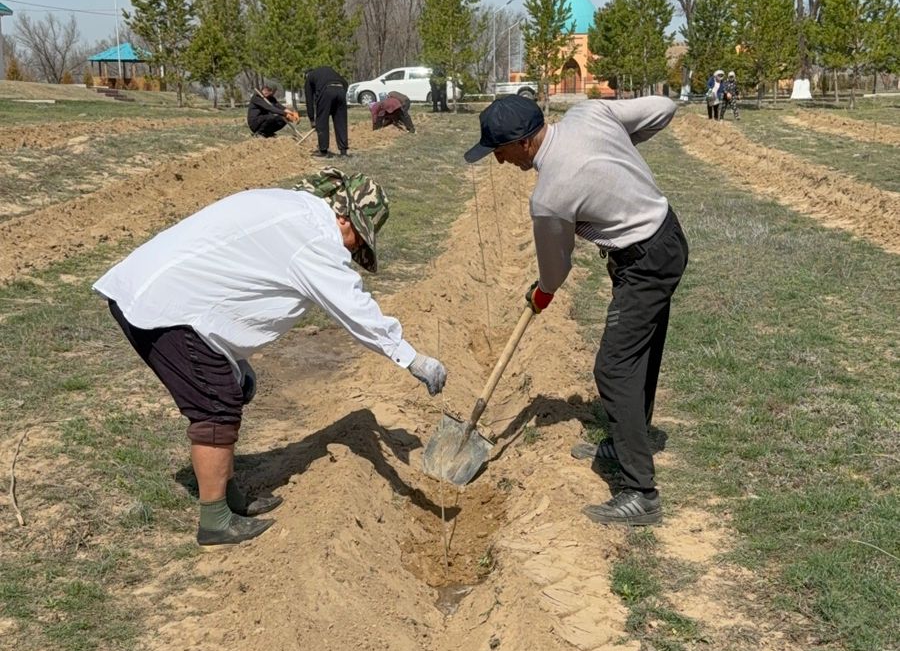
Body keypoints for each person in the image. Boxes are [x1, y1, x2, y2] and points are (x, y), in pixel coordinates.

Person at [94, 169, 448, 547]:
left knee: (225, 387)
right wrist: (413, 359)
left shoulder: (295, 212)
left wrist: (235, 360)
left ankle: (230, 501)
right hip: (163, 305)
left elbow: (234, 283)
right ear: (344, 217)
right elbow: (354, 308)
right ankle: (215, 521)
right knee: (216, 404)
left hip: (161, 294)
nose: (349, 250)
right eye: (355, 239)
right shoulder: (313, 237)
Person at [464, 95, 687, 526]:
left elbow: (556, 267)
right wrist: (618, 146)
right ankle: (627, 442)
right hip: (666, 237)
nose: (498, 161)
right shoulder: (589, 113)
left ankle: (641, 493)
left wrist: (543, 292)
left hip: (644, 262)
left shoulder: (551, 192)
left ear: (525, 144)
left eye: (499, 150)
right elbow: (664, 106)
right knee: (637, 353)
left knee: (615, 367)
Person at [304, 65, 349, 157]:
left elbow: (309, 100)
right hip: (341, 90)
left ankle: (323, 151)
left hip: (326, 90)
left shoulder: (309, 77)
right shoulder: (329, 71)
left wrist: (312, 119)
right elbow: (345, 83)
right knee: (341, 122)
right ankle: (343, 151)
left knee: (322, 121)